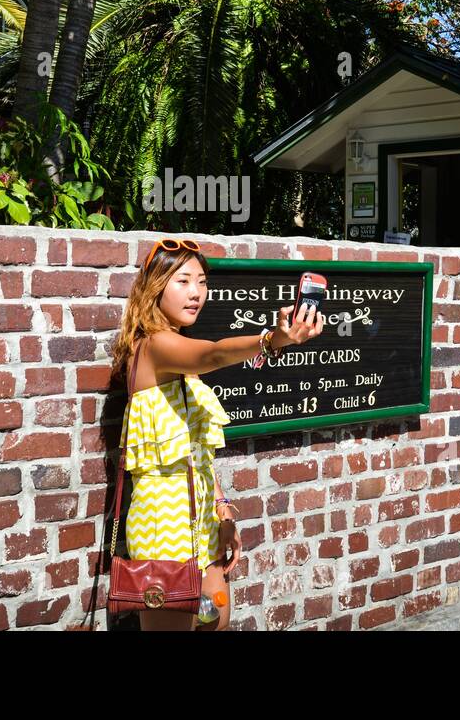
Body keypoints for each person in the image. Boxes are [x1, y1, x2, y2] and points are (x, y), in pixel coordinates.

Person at [107, 237, 326, 630]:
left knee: (217, 621)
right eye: (183, 281)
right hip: (162, 522)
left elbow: (194, 452)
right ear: (155, 286)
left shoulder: (176, 349)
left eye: (203, 282)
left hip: (202, 517)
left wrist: (223, 510)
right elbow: (213, 355)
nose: (196, 293)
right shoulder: (155, 346)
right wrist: (272, 339)